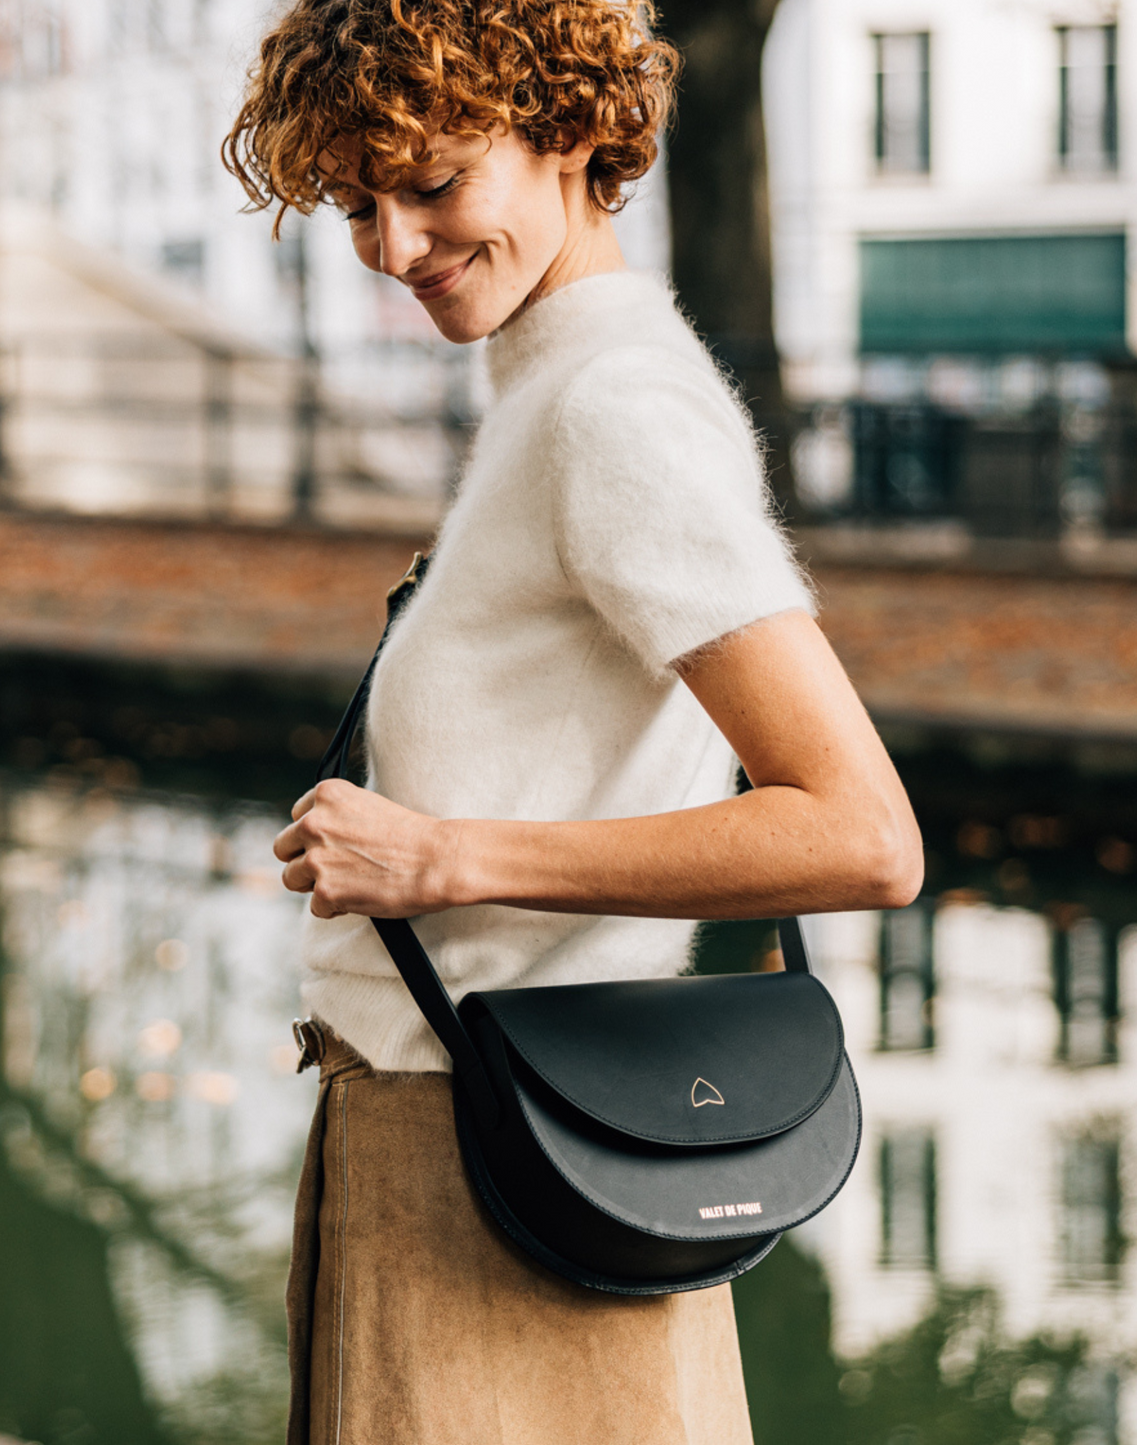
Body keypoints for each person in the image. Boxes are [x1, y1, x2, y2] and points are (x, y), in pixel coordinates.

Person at [227, 2, 922, 1441]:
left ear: (572, 133)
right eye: (358, 201)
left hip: (498, 1178)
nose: (392, 248)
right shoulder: (554, 393)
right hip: (489, 1144)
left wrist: (446, 858)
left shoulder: (610, 409)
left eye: (431, 185)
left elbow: (863, 836)